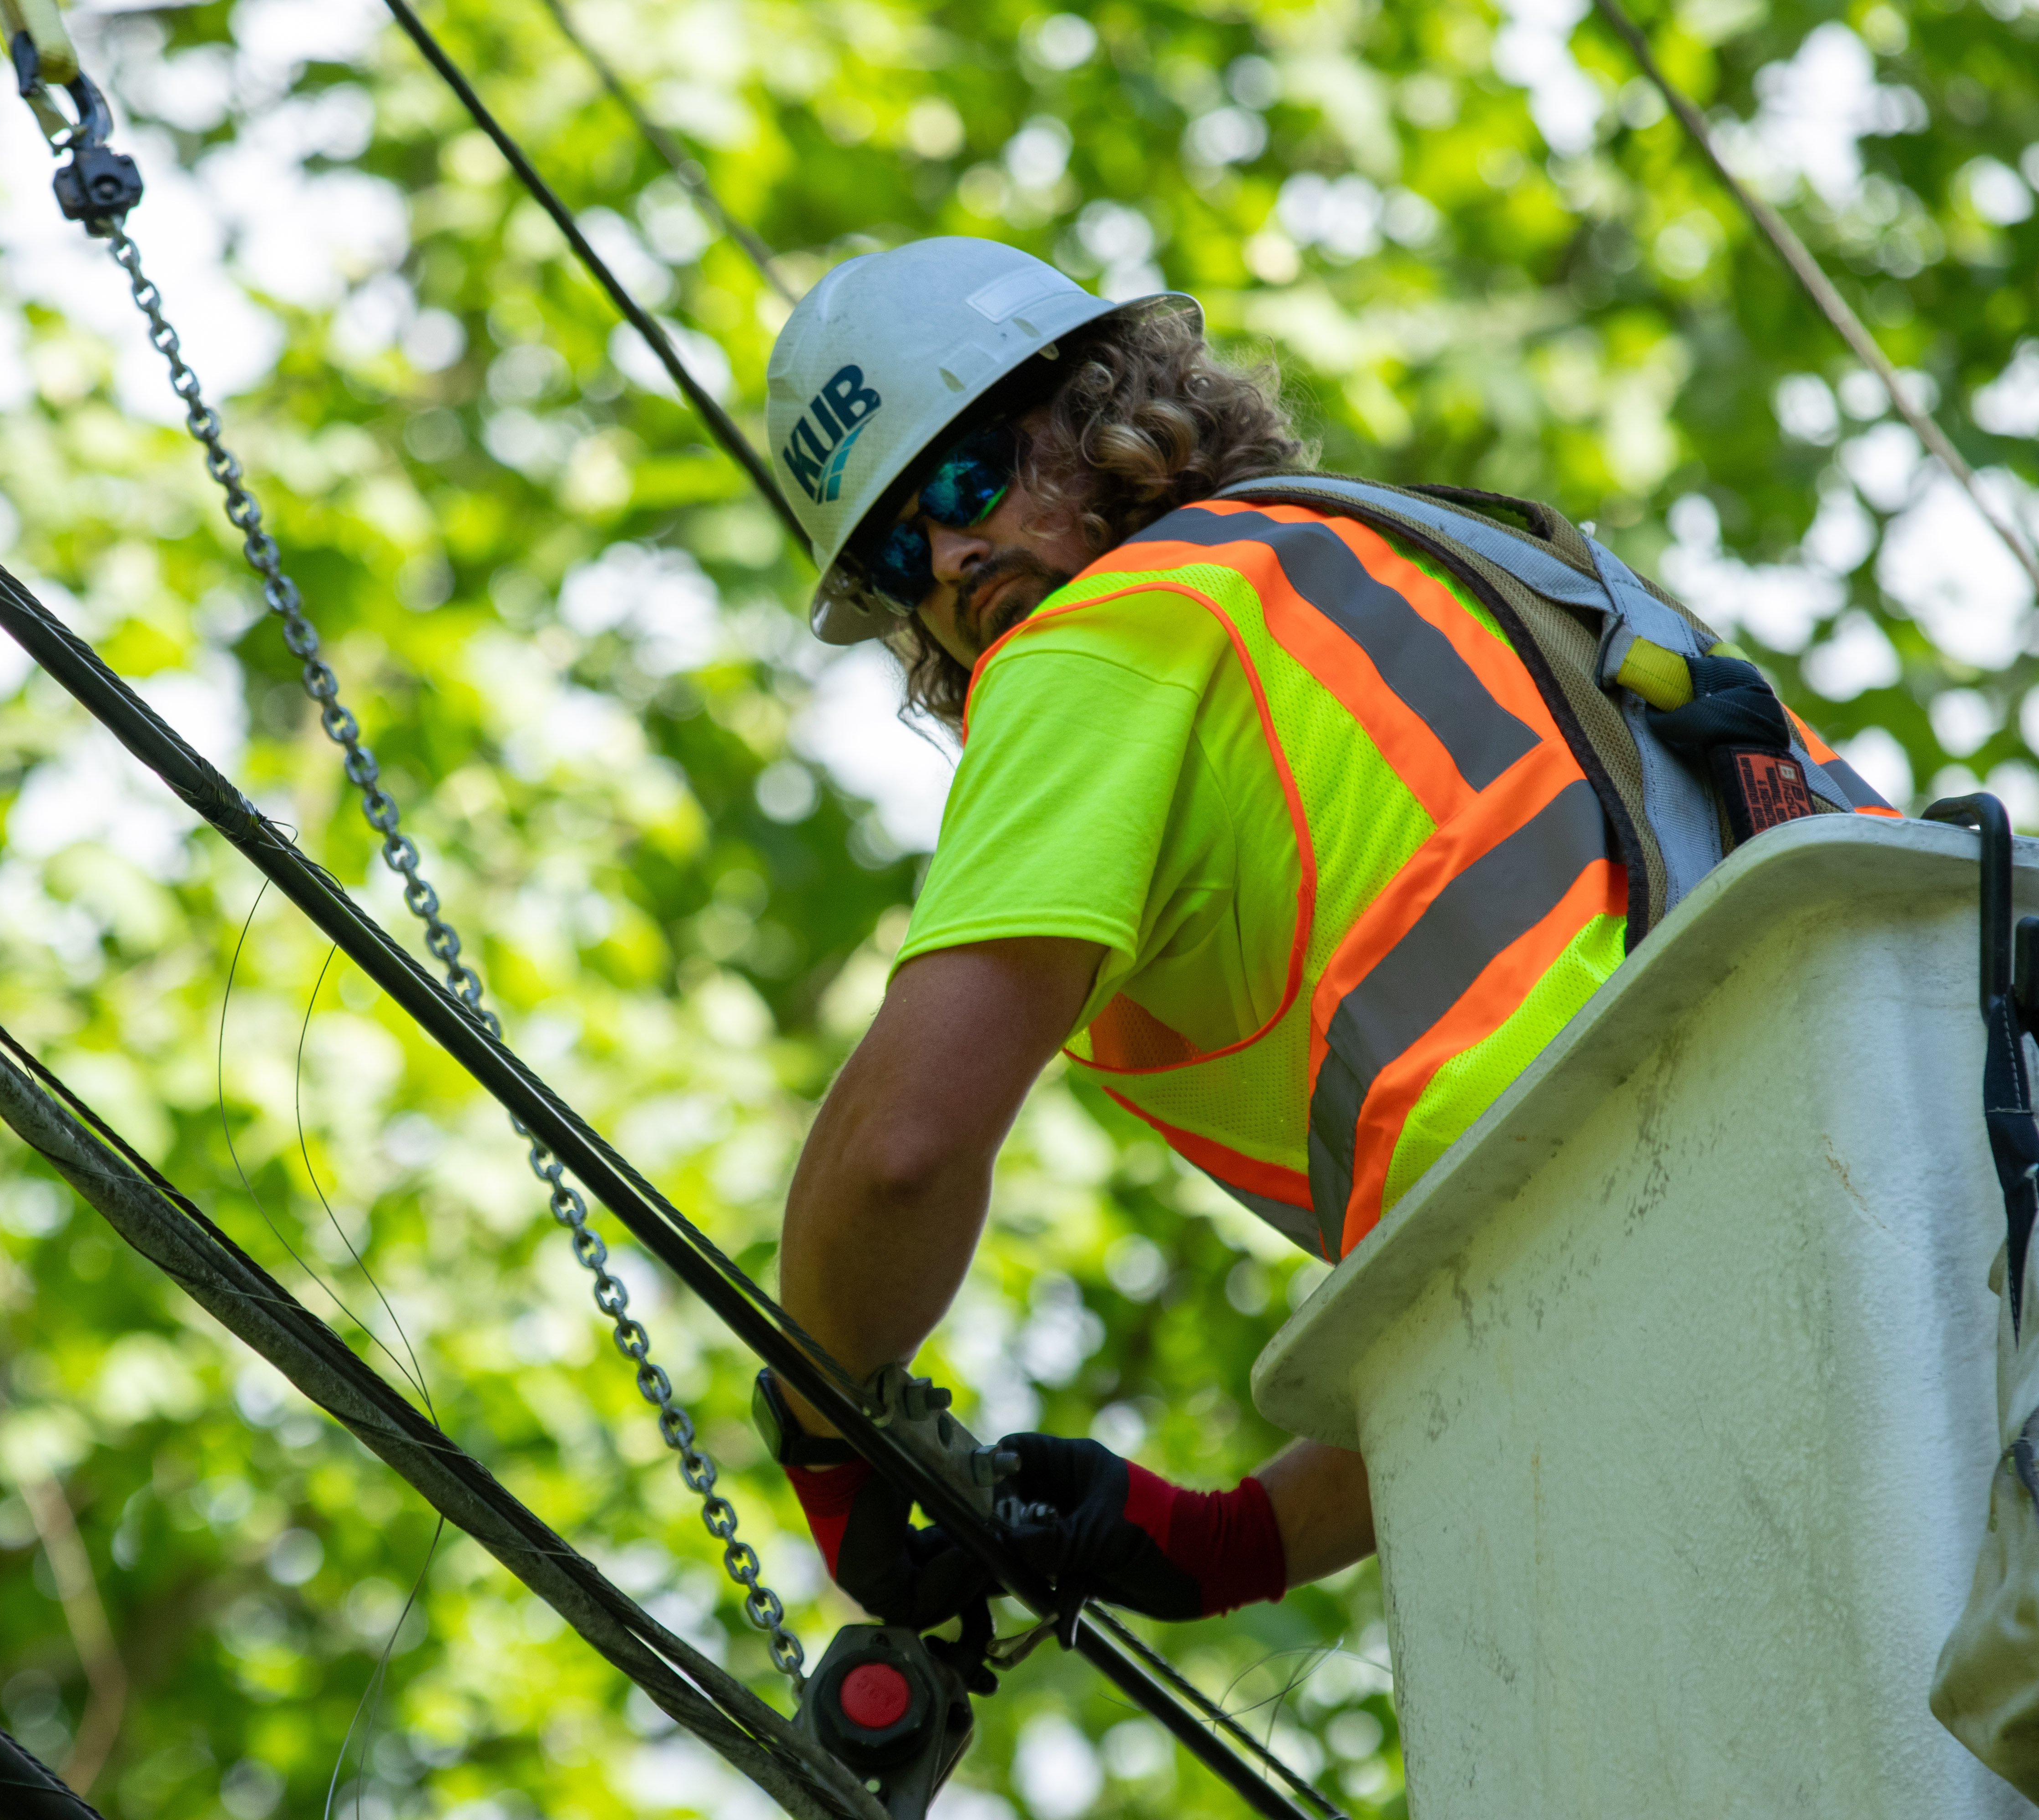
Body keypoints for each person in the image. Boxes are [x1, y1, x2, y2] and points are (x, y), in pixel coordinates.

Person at [746, 236, 1887, 1631]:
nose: (953, 554)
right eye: (894, 556)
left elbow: (902, 1152)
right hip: (1915, 1158)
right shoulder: (1446, 559)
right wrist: (1238, 1538)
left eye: (972, 480)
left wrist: (821, 1425)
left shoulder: (1101, 636)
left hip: (1684, 1253)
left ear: (1100, 404)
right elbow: (1526, 1171)